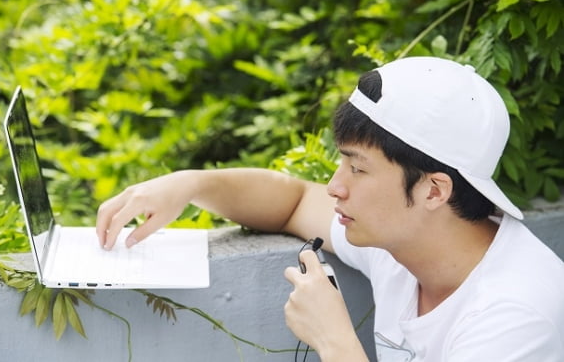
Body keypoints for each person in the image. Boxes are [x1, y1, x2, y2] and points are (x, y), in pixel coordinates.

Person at [95, 56, 564, 361]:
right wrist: (189, 184)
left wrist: (334, 340)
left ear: (434, 190)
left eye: (358, 169)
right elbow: (293, 199)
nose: (335, 187)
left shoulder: (514, 316)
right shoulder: (404, 237)